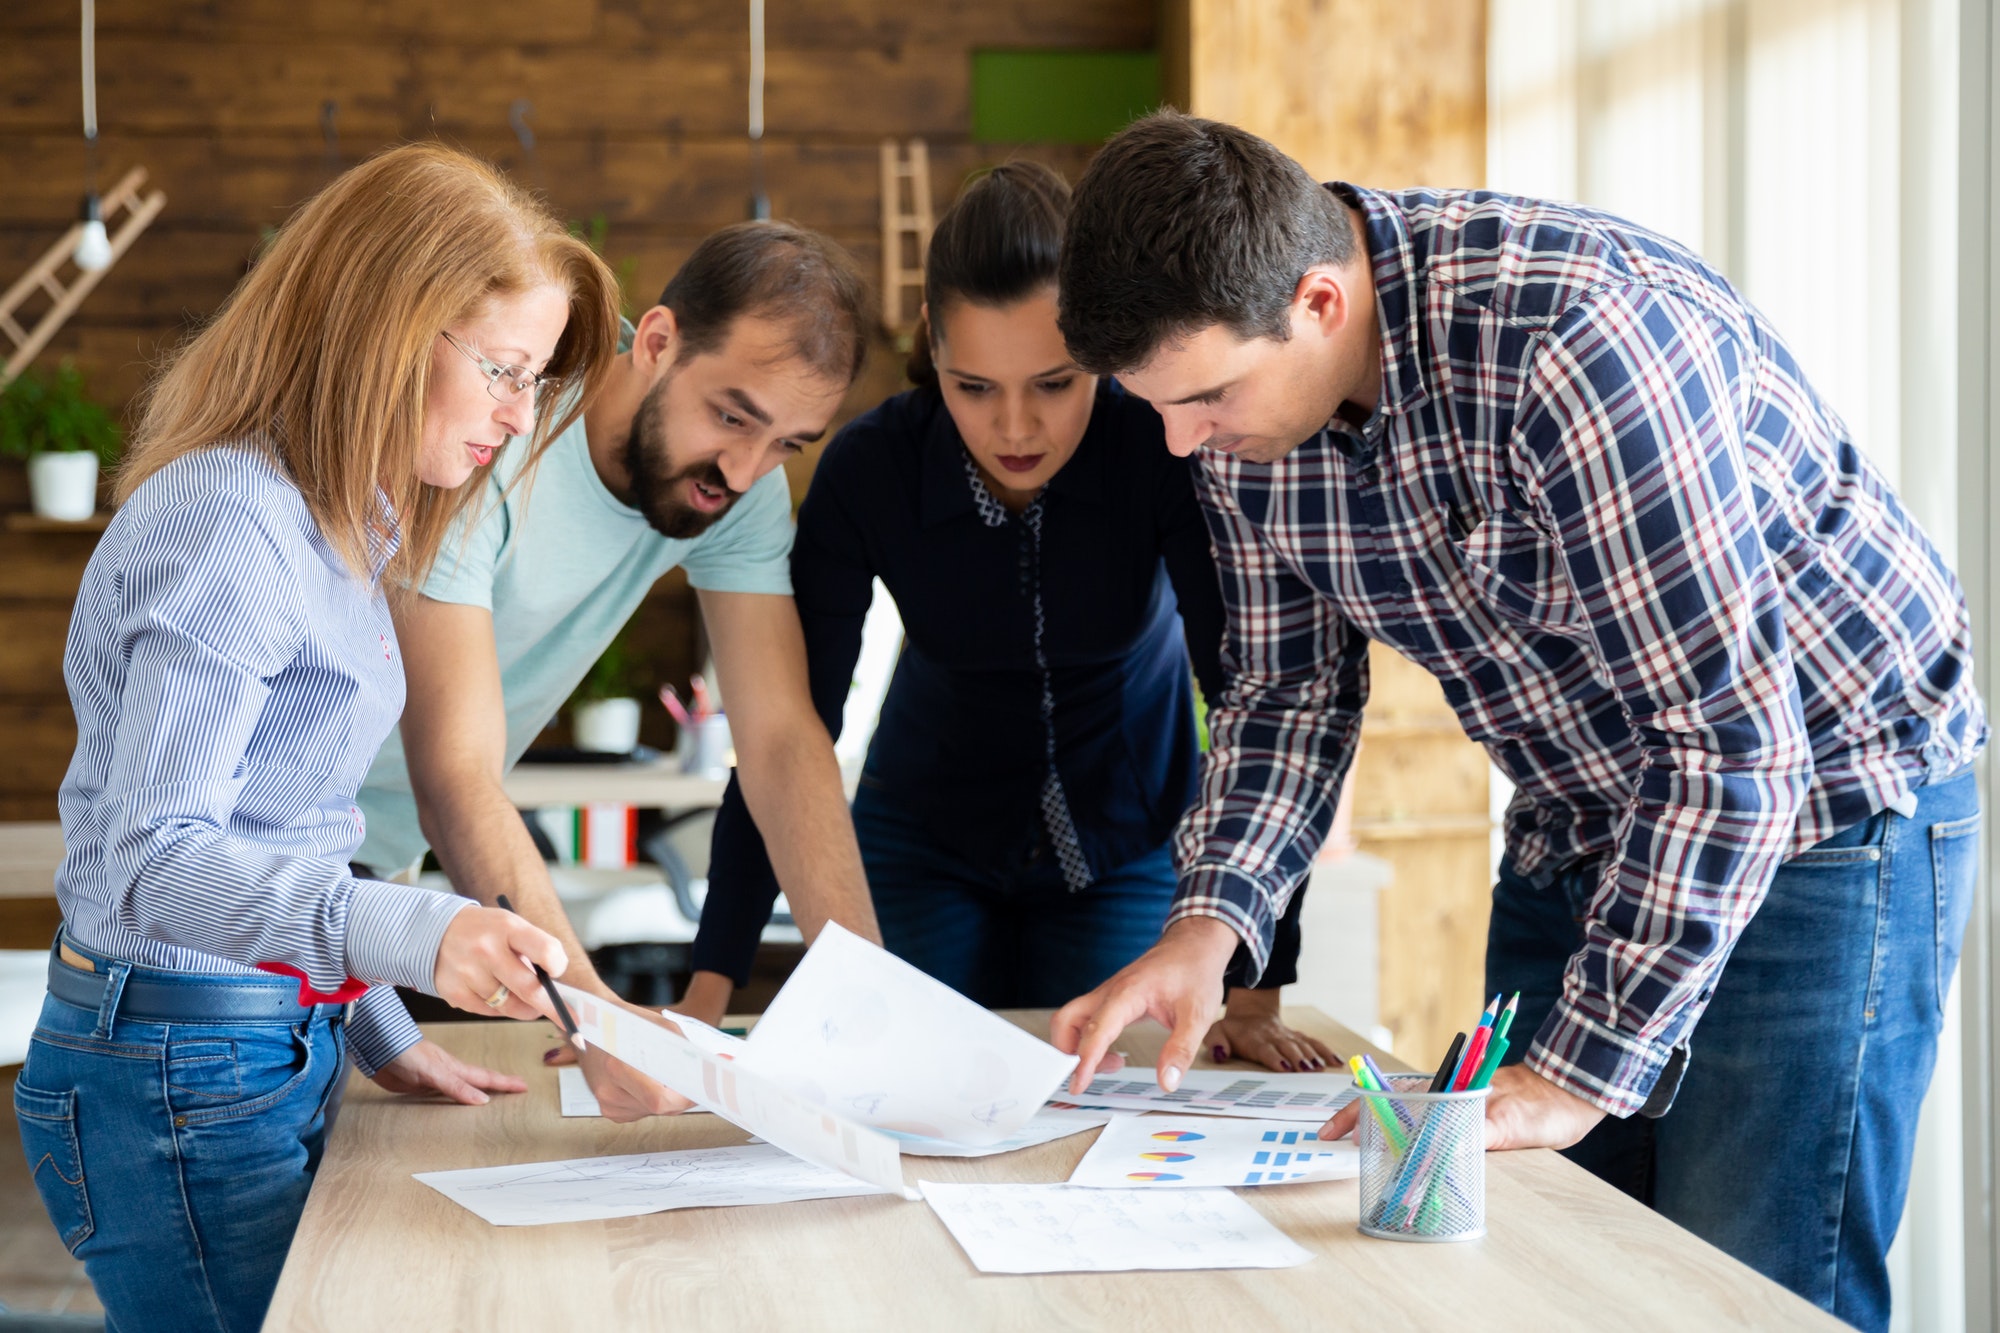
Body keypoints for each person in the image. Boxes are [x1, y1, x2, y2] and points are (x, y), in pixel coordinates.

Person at [1046, 111, 1983, 1331]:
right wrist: (1208, 924)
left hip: (1820, 804)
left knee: (1745, 1284)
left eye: (1206, 397)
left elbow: (1727, 743)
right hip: (1578, 805)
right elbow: (1284, 693)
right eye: (1155, 407)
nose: (1182, 443)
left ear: (1320, 303)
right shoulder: (1237, 417)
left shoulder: (1575, 342)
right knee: (1548, 1264)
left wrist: (1574, 1074)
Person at [14, 143, 615, 1333]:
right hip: (176, 1076)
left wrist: (374, 1021)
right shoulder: (233, 521)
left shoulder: (345, 521)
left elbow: (276, 830)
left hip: (244, 1051)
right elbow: (154, 860)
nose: (516, 412)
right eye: (501, 367)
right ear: (388, 329)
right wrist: (415, 933)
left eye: (535, 380)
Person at [693, 162, 1332, 1071]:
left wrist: (1256, 987)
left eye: (1056, 382)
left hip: (1127, 839)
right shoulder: (872, 471)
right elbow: (787, 731)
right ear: (931, 347)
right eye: (975, 387)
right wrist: (707, 989)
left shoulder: (1163, 449)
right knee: (907, 1090)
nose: (1016, 428)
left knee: (1089, 1099)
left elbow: (1257, 702)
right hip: (924, 838)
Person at [352, 221, 884, 1121]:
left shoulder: (739, 493)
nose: (746, 470)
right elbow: (456, 774)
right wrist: (600, 1019)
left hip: (360, 882)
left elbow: (783, 742)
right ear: (659, 340)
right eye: (732, 415)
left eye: (789, 443)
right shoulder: (497, 435)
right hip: (262, 861)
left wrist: (870, 999)